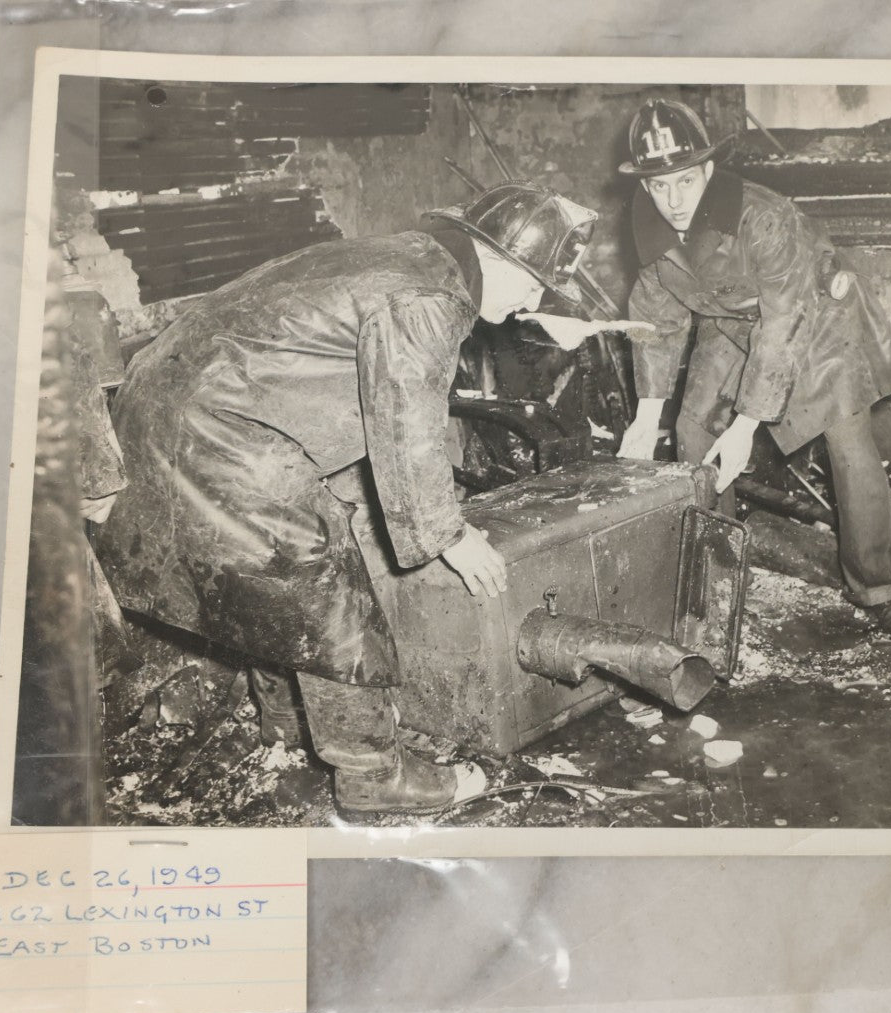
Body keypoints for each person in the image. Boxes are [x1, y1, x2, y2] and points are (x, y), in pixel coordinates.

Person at [94, 181, 598, 812]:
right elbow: (408, 420)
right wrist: (450, 533)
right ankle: (372, 775)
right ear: (496, 257)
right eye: (530, 283)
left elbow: (324, 369)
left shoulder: (409, 256)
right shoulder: (430, 297)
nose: (530, 302)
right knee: (320, 589)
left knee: (267, 583)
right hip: (218, 432)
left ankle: (291, 724)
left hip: (171, 402)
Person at [616, 99, 891, 641]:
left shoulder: (763, 216)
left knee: (847, 441)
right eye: (659, 186)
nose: (673, 199)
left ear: (708, 170)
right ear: (644, 186)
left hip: (816, 317)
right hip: (732, 320)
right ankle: (721, 584)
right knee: (691, 433)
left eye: (684, 181)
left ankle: (880, 587)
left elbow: (784, 322)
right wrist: (646, 415)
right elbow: (657, 320)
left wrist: (746, 425)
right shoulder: (649, 228)